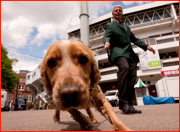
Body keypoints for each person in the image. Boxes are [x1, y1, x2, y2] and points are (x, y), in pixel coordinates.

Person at [103, 5, 155, 114]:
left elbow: (134, 39)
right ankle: (123, 104)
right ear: (113, 14)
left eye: (120, 11)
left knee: (132, 78)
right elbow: (106, 36)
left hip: (130, 54)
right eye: (116, 11)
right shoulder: (109, 25)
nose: (118, 12)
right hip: (118, 52)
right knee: (124, 68)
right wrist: (106, 42)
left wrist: (146, 47)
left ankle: (130, 105)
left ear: (122, 13)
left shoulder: (126, 27)